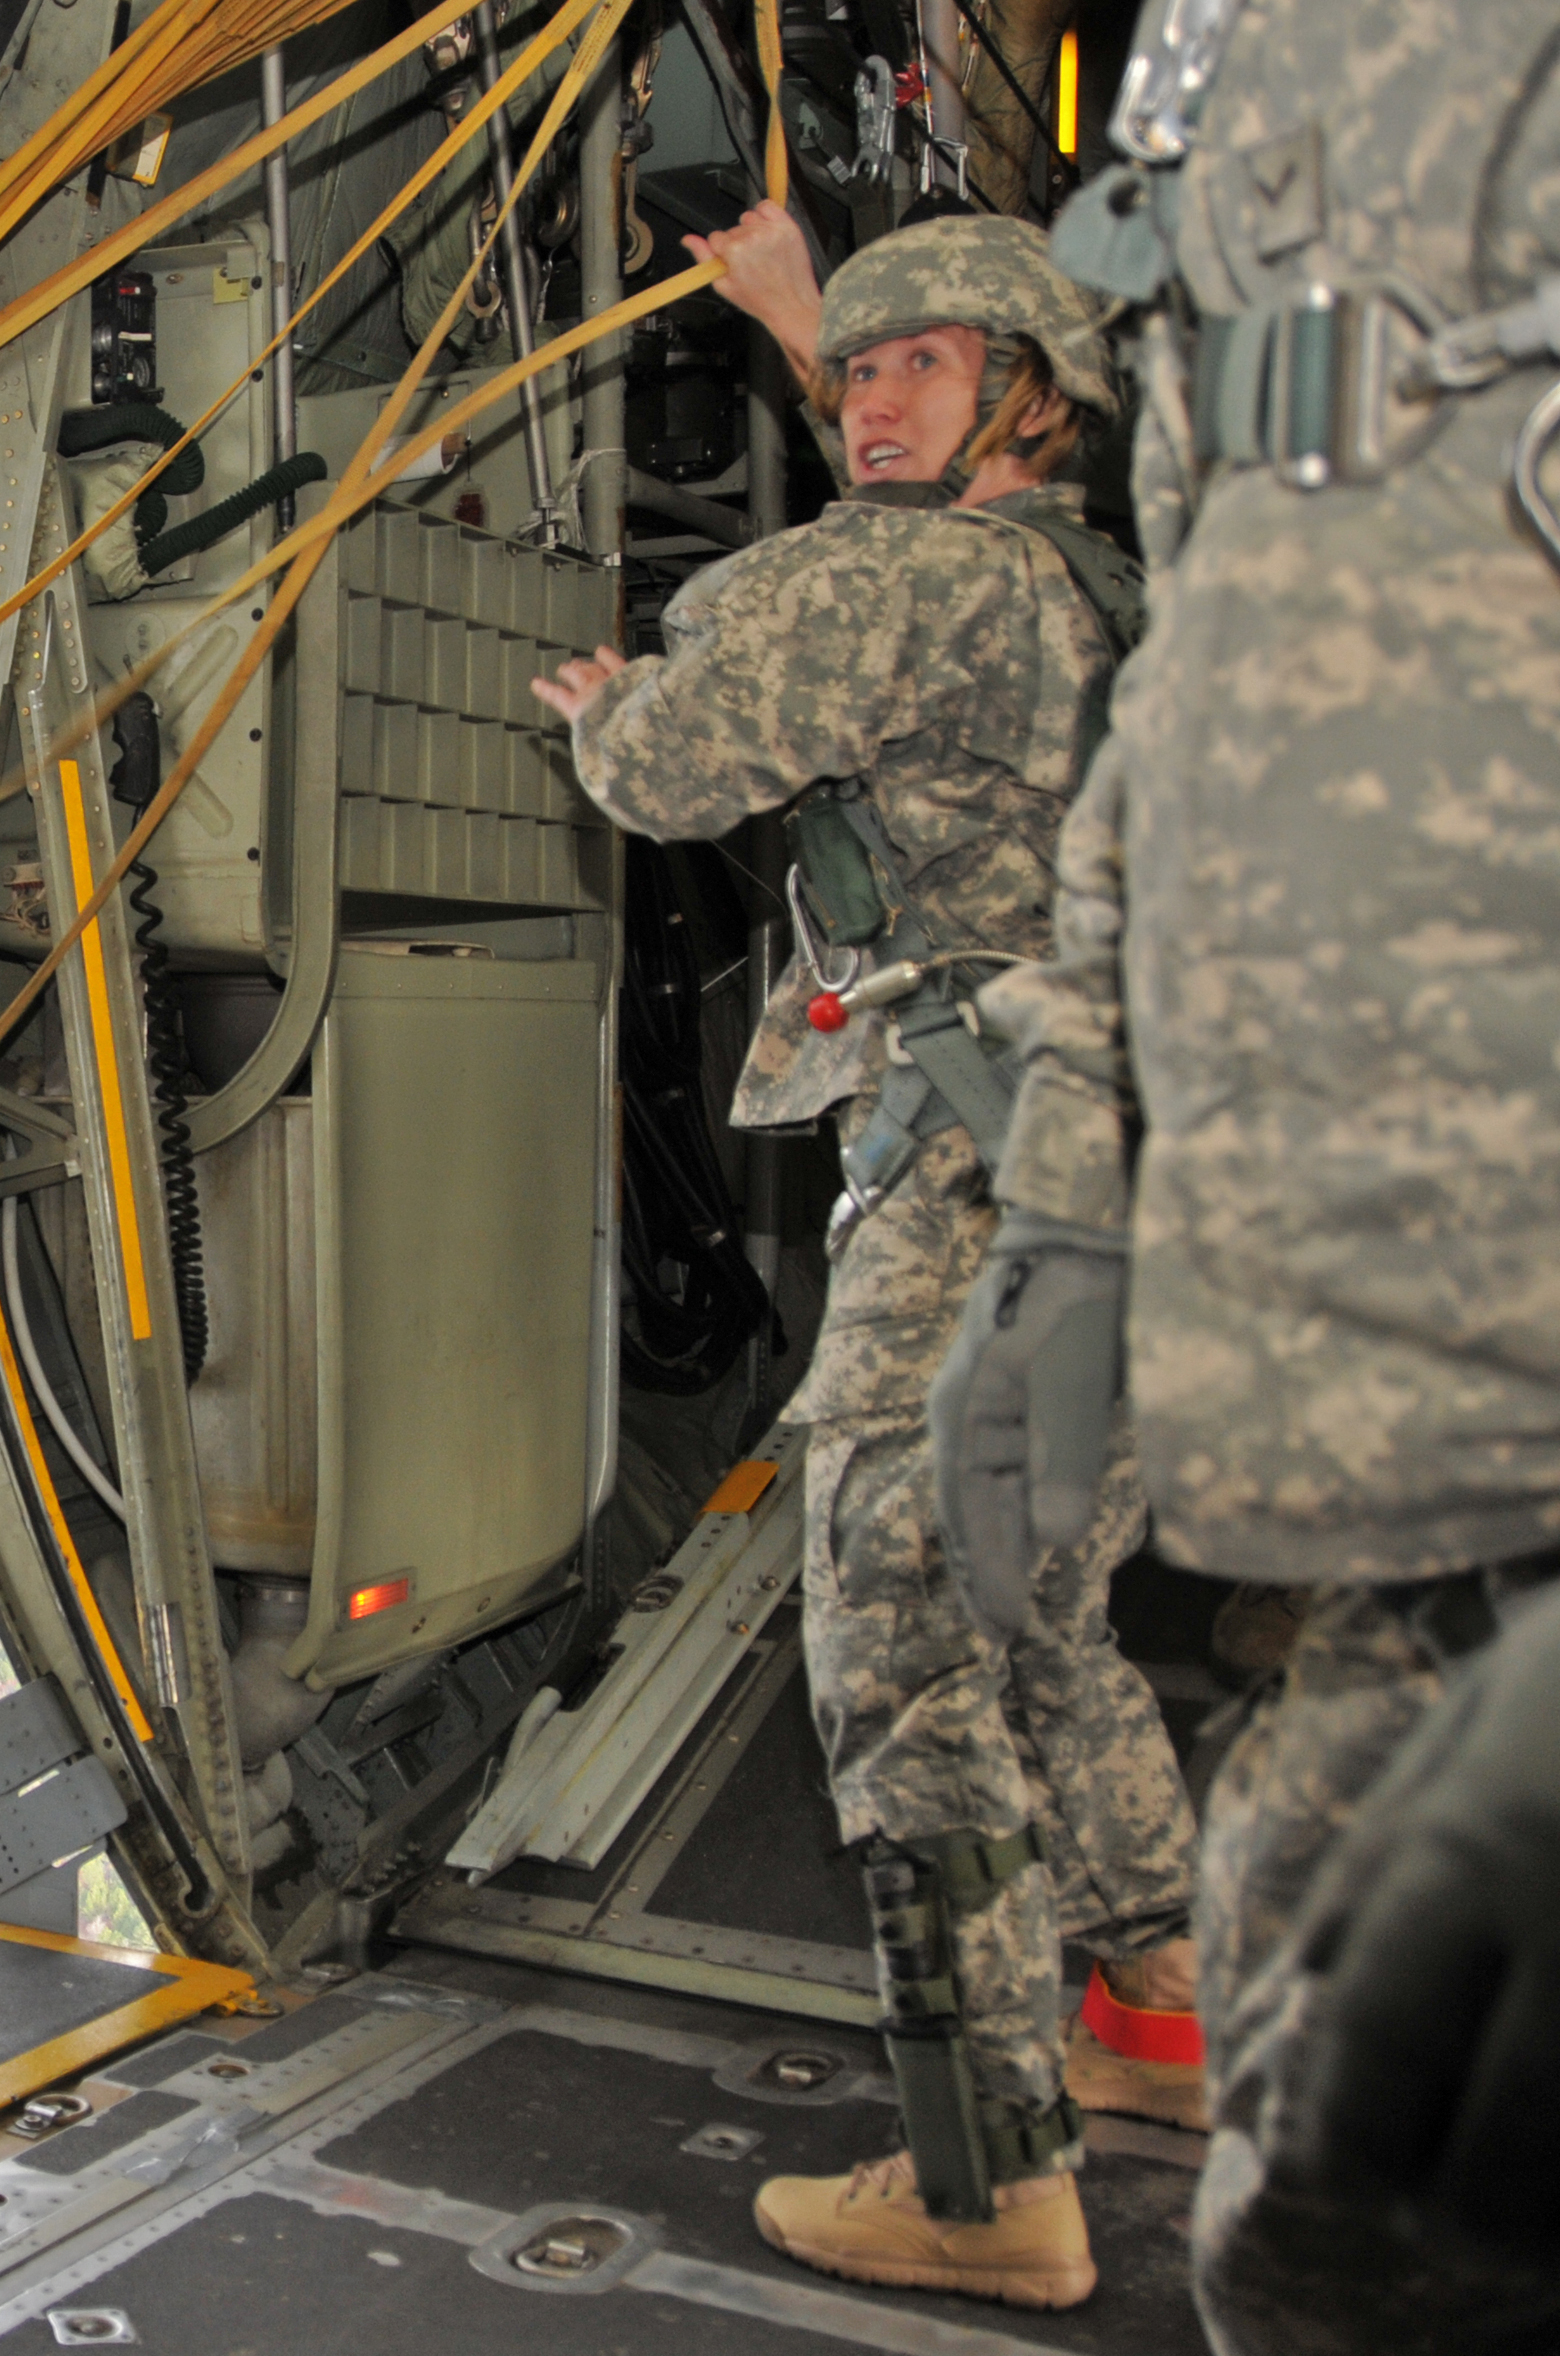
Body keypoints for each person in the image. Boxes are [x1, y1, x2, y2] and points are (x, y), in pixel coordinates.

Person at [925, 0, 1560, 2344]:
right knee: (1331, 2253)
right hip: (1387, 1447)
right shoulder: (1253, 38)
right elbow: (1198, 688)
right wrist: (1077, 1186)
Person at [532, 216, 1201, 2311]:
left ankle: (990, 2180)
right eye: (859, 375)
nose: (873, 397)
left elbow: (684, 765)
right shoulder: (1116, 592)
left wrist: (617, 708)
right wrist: (822, 325)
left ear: (1029, 394)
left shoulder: (916, 575)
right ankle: (1160, 2017)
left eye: (923, 370)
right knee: (1050, 1603)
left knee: (898, 1632)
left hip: (981, 1163)